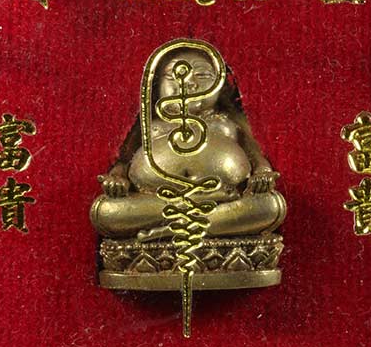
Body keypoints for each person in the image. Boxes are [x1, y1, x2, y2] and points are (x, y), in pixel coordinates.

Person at [91, 42, 286, 240]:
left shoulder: (228, 124)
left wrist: (262, 174)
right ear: (157, 85)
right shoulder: (149, 125)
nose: (188, 83)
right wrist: (117, 178)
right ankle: (201, 217)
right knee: (108, 211)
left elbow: (256, 157)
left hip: (225, 198)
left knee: (269, 206)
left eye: (202, 75)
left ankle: (171, 227)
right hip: (169, 201)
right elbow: (124, 161)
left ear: (222, 87)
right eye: (172, 76)